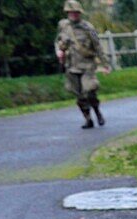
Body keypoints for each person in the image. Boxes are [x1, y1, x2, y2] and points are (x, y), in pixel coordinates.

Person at [55, 0, 109, 129]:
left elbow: (98, 47)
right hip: (71, 66)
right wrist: (59, 52)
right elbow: (58, 41)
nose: (73, 15)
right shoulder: (63, 26)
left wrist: (105, 64)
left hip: (87, 66)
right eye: (70, 12)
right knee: (79, 96)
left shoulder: (88, 28)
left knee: (89, 91)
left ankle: (97, 112)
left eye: (75, 12)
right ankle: (88, 119)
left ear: (79, 13)